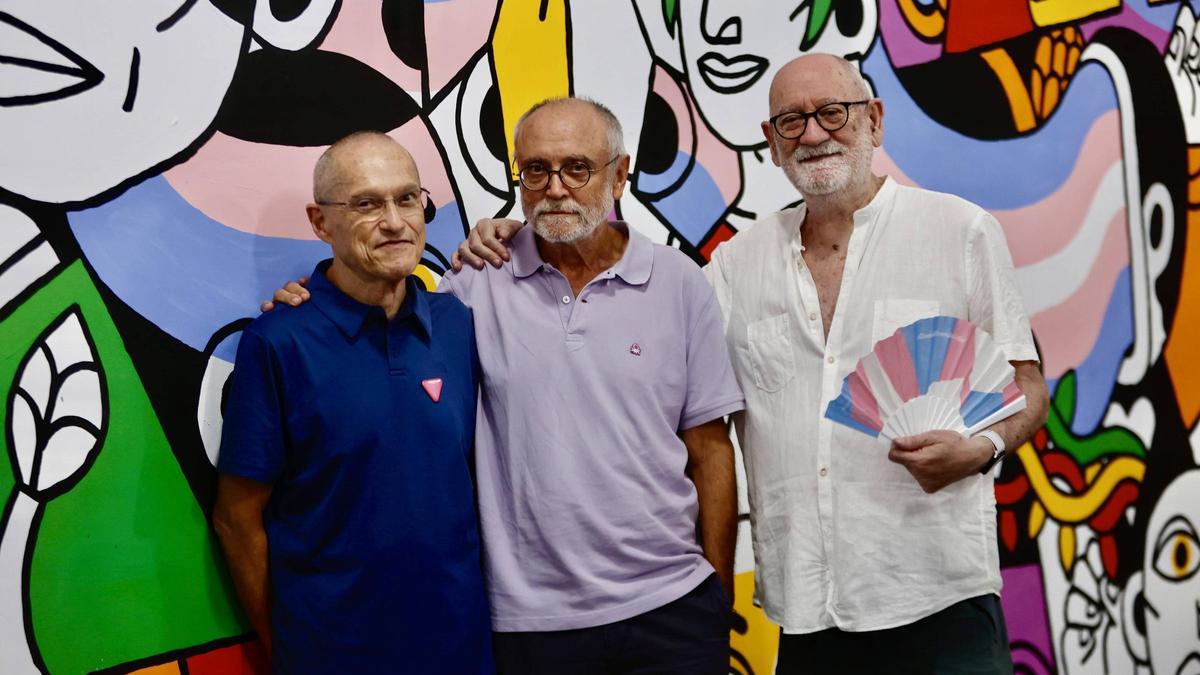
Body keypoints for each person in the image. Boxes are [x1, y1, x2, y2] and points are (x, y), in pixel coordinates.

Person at [454, 55, 1051, 674]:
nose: (813, 133)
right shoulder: (733, 268)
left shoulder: (960, 231)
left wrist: (982, 448)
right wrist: (504, 235)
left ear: (873, 120)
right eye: (791, 121)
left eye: (832, 113)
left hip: (935, 591)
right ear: (770, 143)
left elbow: (1026, 386)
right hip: (807, 607)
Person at [268, 99, 744, 674]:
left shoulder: (680, 282)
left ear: (620, 173)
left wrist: (717, 591)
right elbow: (378, 307)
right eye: (536, 170)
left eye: (577, 167)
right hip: (528, 623)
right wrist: (306, 298)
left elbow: (709, 447)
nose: (555, 187)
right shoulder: (473, 284)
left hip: (671, 605)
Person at [213, 132, 493, 674]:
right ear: (321, 223)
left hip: (463, 648)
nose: (395, 221)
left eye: (408, 198)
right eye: (366, 204)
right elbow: (236, 518)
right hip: (332, 655)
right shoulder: (278, 342)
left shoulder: (458, 324)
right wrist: (288, 649)